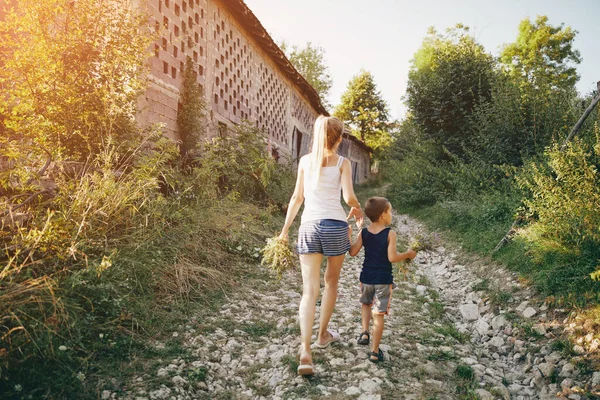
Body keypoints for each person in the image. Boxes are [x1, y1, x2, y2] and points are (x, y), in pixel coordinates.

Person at [278, 115, 363, 376]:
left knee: (309, 291)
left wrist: (283, 231)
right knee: (332, 282)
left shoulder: (305, 162)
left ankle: (305, 350)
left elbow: (296, 198)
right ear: (339, 139)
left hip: (309, 227)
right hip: (336, 226)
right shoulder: (342, 162)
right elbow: (348, 197)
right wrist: (358, 210)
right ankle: (323, 334)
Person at [348, 197, 416, 362]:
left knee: (365, 304)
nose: (391, 214)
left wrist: (349, 236)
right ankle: (374, 351)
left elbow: (352, 252)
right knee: (378, 315)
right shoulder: (390, 233)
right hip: (383, 280)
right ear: (383, 215)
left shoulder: (364, 232)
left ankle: (365, 332)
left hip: (366, 278)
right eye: (390, 211)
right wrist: (408, 254)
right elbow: (392, 257)